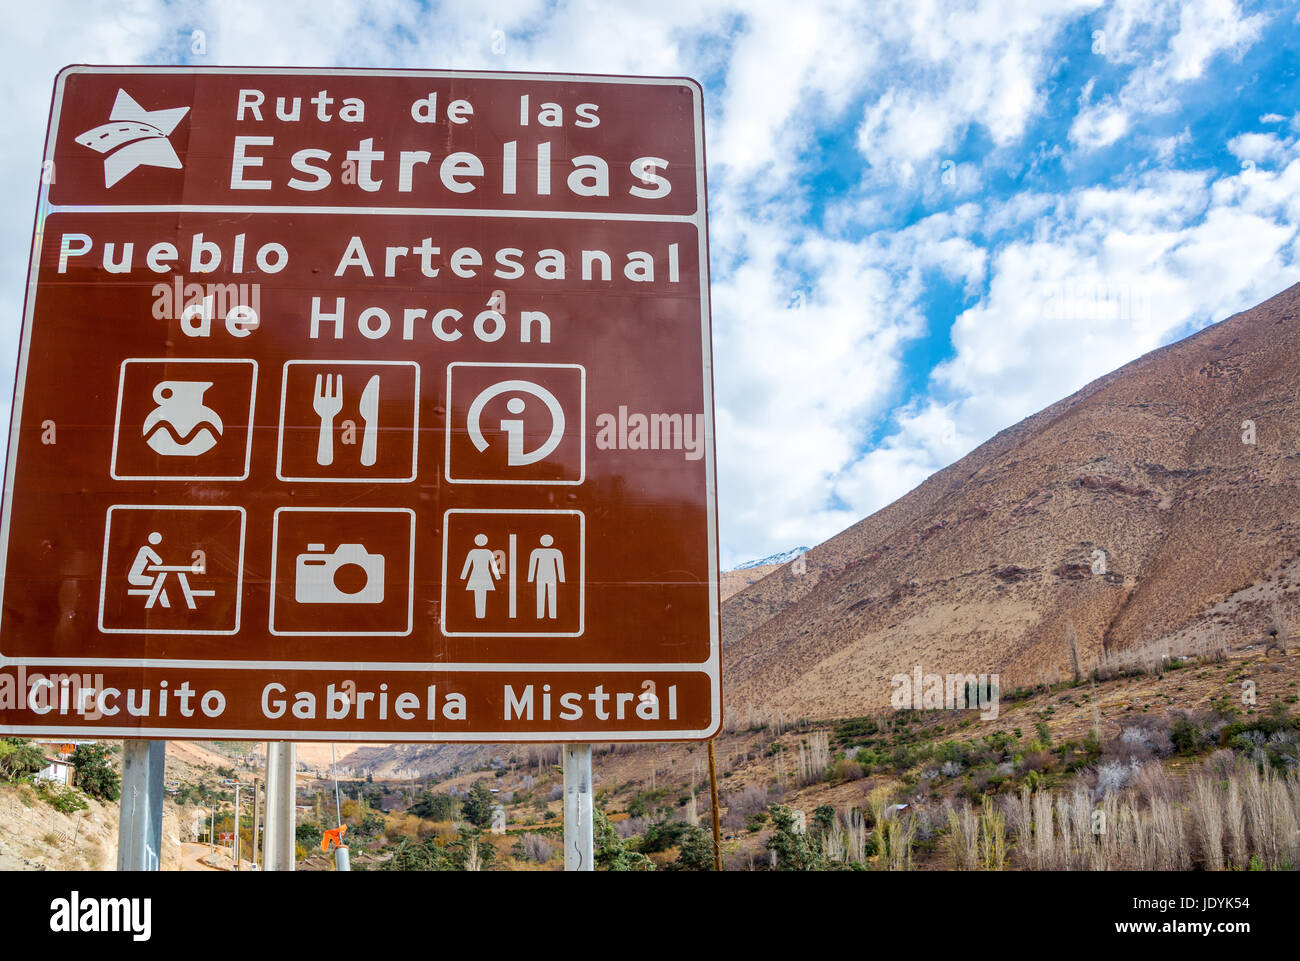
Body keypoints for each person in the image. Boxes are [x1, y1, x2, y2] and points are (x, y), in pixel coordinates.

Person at [460, 534, 501, 618]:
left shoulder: (473, 552)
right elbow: (493, 565)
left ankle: (480, 615)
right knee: (481, 594)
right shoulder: (487, 552)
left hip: (476, 575)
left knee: (479, 594)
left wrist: (463, 577)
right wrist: (497, 577)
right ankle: (480, 615)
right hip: (484, 574)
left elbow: (467, 564)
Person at [527, 534, 565, 619]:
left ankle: (551, 615)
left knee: (550, 594)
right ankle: (541, 615)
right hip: (543, 576)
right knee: (542, 594)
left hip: (549, 576)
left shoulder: (556, 552)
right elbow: (532, 565)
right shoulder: (536, 552)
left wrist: (562, 578)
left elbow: (560, 565)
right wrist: (530, 578)